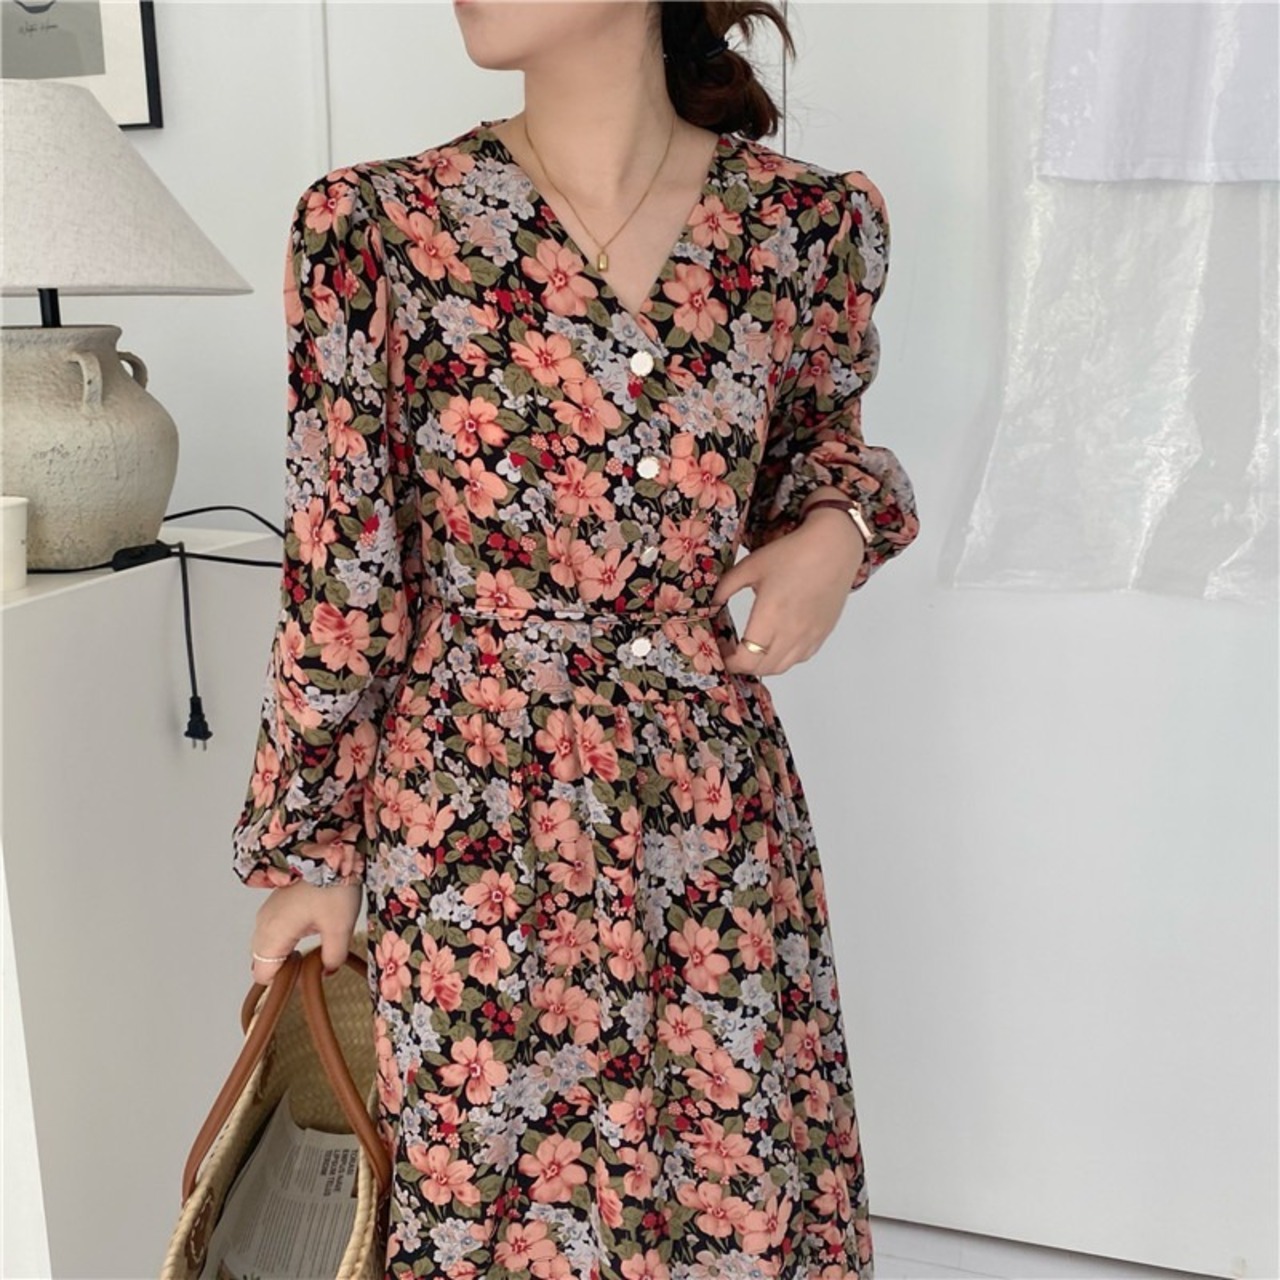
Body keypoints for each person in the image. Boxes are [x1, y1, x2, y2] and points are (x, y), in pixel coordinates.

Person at [230, 2, 920, 1276]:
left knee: (731, 1192)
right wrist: (314, 846)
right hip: (469, 819)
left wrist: (841, 528)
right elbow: (341, 565)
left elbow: (822, 446)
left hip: (707, 815)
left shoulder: (802, 226)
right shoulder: (377, 227)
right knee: (494, 1212)